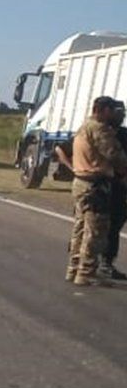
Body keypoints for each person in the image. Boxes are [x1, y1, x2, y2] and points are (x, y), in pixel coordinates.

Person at [67, 96, 127, 286]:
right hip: (94, 186)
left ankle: (74, 269)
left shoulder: (84, 126)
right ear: (104, 110)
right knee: (95, 232)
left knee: (80, 229)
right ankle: (86, 273)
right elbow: (116, 156)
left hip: (80, 183)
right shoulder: (100, 130)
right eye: (113, 111)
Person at [101, 100, 127, 280]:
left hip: (120, 187)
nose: (122, 115)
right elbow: (63, 149)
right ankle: (86, 261)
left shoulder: (124, 134)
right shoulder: (99, 132)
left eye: (124, 112)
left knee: (115, 224)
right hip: (101, 186)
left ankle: (107, 262)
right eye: (119, 111)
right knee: (96, 225)